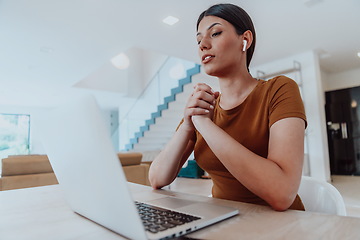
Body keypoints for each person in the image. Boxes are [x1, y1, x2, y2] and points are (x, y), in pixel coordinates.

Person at [149, 3, 307, 211]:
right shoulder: (204, 108)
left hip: (281, 224)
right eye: (198, 40)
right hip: (223, 220)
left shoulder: (279, 89)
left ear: (245, 40)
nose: (203, 45)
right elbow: (157, 178)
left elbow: (283, 194)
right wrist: (189, 124)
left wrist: (204, 125)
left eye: (215, 33)